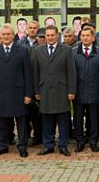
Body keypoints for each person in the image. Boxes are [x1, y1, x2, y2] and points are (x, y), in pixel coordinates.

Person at [0, 24, 33, 157]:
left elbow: (28, 74)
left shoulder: (23, 51)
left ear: (13, 36)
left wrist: (28, 94)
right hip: (0, 92)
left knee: (21, 121)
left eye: (9, 34)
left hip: (18, 92)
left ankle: (22, 146)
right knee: (1, 121)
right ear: (0, 36)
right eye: (4, 34)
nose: (6, 37)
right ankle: (2, 146)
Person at [32, 25, 76, 156]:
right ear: (45, 37)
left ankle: (63, 145)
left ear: (57, 36)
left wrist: (71, 91)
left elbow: (71, 72)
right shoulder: (38, 51)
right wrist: (36, 91)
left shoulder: (67, 50)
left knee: (63, 120)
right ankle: (48, 145)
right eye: (47, 35)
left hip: (62, 91)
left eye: (52, 35)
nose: (50, 38)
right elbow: (36, 73)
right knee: (47, 120)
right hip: (44, 90)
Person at [72, 26, 99, 153]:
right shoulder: (73, 52)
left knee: (94, 118)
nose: (85, 38)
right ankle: (80, 141)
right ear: (80, 37)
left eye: (88, 35)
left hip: (94, 91)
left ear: (93, 37)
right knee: (78, 118)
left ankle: (93, 141)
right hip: (78, 92)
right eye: (83, 36)